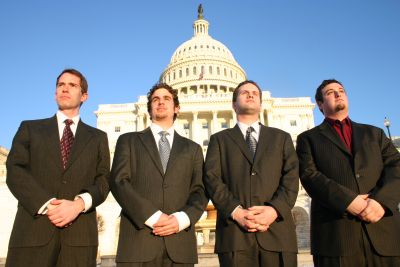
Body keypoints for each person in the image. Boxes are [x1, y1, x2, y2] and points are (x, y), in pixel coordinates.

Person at [6, 68, 110, 267]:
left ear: (84, 96)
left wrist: (78, 204)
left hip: (79, 240)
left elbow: (104, 179)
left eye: (72, 85)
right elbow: (15, 170)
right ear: (55, 93)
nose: (65, 89)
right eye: (60, 85)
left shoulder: (98, 138)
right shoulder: (30, 128)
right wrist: (47, 204)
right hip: (32, 234)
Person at [296, 79, 400, 267]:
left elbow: (396, 167)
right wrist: (348, 201)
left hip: (384, 233)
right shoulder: (307, 139)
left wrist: (381, 201)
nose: (337, 94)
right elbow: (309, 175)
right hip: (336, 238)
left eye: (341, 90)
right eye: (330, 92)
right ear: (319, 104)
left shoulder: (374, 133)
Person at [109, 83, 208, 267]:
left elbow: (200, 190)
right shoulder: (128, 141)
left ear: (176, 108)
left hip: (179, 246)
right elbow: (119, 181)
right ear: (149, 109)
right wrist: (153, 216)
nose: (160, 102)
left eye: (166, 99)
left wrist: (181, 219)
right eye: (155, 99)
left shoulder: (193, 149)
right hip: (138, 243)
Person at [204, 80, 299, 267]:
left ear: (261, 104)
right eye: (244, 92)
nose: (250, 95)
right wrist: (236, 212)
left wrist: (274, 210)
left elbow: (291, 177)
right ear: (233, 104)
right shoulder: (219, 140)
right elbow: (212, 179)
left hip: (277, 232)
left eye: (255, 93)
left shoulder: (282, 138)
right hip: (235, 235)